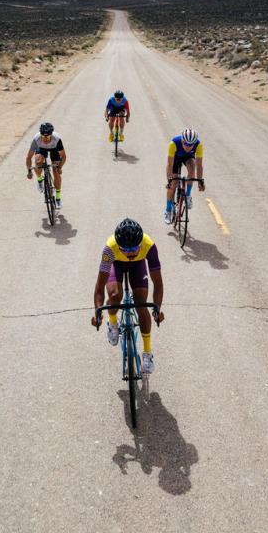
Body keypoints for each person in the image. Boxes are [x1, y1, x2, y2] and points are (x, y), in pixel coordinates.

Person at [92, 218, 164, 374]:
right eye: (124, 250)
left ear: (141, 244)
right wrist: (98, 312)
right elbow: (99, 286)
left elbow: (158, 283)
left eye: (134, 249)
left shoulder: (149, 246)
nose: (130, 253)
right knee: (114, 295)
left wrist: (157, 309)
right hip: (116, 265)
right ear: (118, 246)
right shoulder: (109, 249)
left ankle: (147, 352)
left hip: (138, 266)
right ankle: (112, 324)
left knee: (141, 305)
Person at [165, 128, 205, 224]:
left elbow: (199, 165)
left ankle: (188, 195)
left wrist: (200, 181)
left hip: (188, 157)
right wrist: (169, 181)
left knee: (192, 168)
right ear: (182, 140)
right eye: (186, 144)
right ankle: (168, 211)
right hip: (176, 158)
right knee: (173, 186)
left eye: (191, 145)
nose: (188, 146)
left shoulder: (198, 145)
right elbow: (169, 165)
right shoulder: (174, 143)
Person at [26, 122, 66, 210]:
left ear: (51, 135)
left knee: (56, 171)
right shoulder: (36, 139)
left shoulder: (56, 139)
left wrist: (60, 167)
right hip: (41, 148)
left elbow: (63, 156)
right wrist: (29, 170)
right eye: (43, 137)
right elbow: (29, 157)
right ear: (40, 135)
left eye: (47, 137)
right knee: (38, 162)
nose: (45, 139)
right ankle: (40, 180)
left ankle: (58, 198)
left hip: (54, 148)